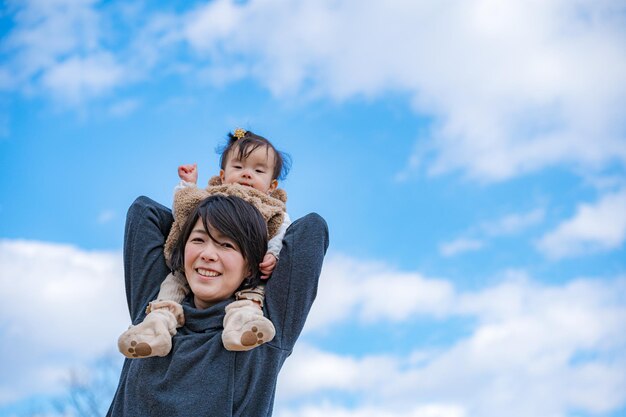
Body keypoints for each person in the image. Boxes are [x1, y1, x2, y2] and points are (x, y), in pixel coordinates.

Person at [107, 194, 328, 417]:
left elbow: (312, 228)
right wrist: (209, 204)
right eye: (198, 240)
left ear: (250, 266)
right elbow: (144, 210)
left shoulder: (262, 326)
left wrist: (270, 248)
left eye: (226, 244)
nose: (208, 254)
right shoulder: (154, 312)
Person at [118, 128, 292, 356]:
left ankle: (243, 324)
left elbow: (282, 232)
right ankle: (156, 327)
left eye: (258, 170)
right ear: (222, 174)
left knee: (253, 293)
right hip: (189, 272)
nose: (247, 174)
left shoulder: (271, 209)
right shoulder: (210, 197)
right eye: (238, 167)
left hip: (247, 274)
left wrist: (274, 254)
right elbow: (183, 209)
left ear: (272, 186)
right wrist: (188, 185)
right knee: (171, 286)